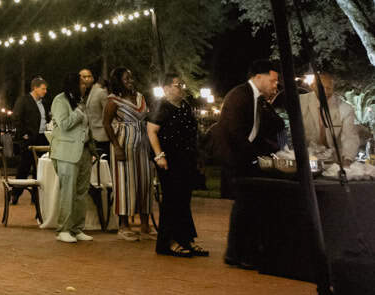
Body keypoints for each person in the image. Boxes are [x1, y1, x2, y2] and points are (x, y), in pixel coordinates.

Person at [215, 59, 285, 269]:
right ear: (258, 77)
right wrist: (256, 157)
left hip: (247, 159)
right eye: (273, 81)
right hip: (237, 160)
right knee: (246, 205)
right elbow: (235, 133)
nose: (275, 85)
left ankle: (239, 252)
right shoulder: (239, 96)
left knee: (248, 206)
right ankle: (241, 253)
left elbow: (275, 126)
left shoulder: (259, 99)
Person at [147, 73, 206, 258]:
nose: (181, 88)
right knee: (172, 199)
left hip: (185, 158)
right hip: (168, 159)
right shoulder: (161, 107)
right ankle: (168, 241)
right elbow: (151, 131)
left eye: (182, 85)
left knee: (183, 200)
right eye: (176, 85)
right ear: (165, 89)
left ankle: (185, 238)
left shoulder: (185, 107)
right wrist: (159, 155)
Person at [103, 66, 153, 241]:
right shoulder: (113, 100)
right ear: (118, 81)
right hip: (124, 144)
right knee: (125, 184)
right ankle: (124, 225)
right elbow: (107, 123)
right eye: (126, 79)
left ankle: (145, 225)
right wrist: (116, 146)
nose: (130, 81)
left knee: (145, 182)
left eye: (131, 78)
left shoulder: (139, 97)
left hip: (143, 144)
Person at [49, 72, 94, 244]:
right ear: (73, 85)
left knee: (81, 192)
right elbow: (64, 124)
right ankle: (63, 229)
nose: (85, 86)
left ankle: (77, 228)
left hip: (84, 151)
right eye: (82, 83)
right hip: (66, 152)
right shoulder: (60, 100)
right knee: (67, 191)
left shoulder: (81, 101)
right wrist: (78, 112)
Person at [299, 72, 360, 163]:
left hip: (334, 160)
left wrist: (348, 158)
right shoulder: (300, 102)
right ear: (312, 86)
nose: (325, 92)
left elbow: (349, 136)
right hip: (306, 158)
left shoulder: (345, 108)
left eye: (329, 88)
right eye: (322, 88)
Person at [11, 76, 49, 203]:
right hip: (29, 139)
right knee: (24, 168)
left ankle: (36, 196)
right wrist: (23, 135)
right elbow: (16, 118)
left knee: (40, 168)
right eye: (43, 89)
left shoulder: (43, 103)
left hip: (42, 138)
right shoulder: (23, 100)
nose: (45, 91)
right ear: (35, 88)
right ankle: (15, 194)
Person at [81, 68, 110, 158]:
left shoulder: (100, 92)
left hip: (102, 137)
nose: (87, 79)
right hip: (89, 138)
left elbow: (109, 114)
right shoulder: (81, 94)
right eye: (84, 77)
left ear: (93, 78)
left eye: (89, 76)